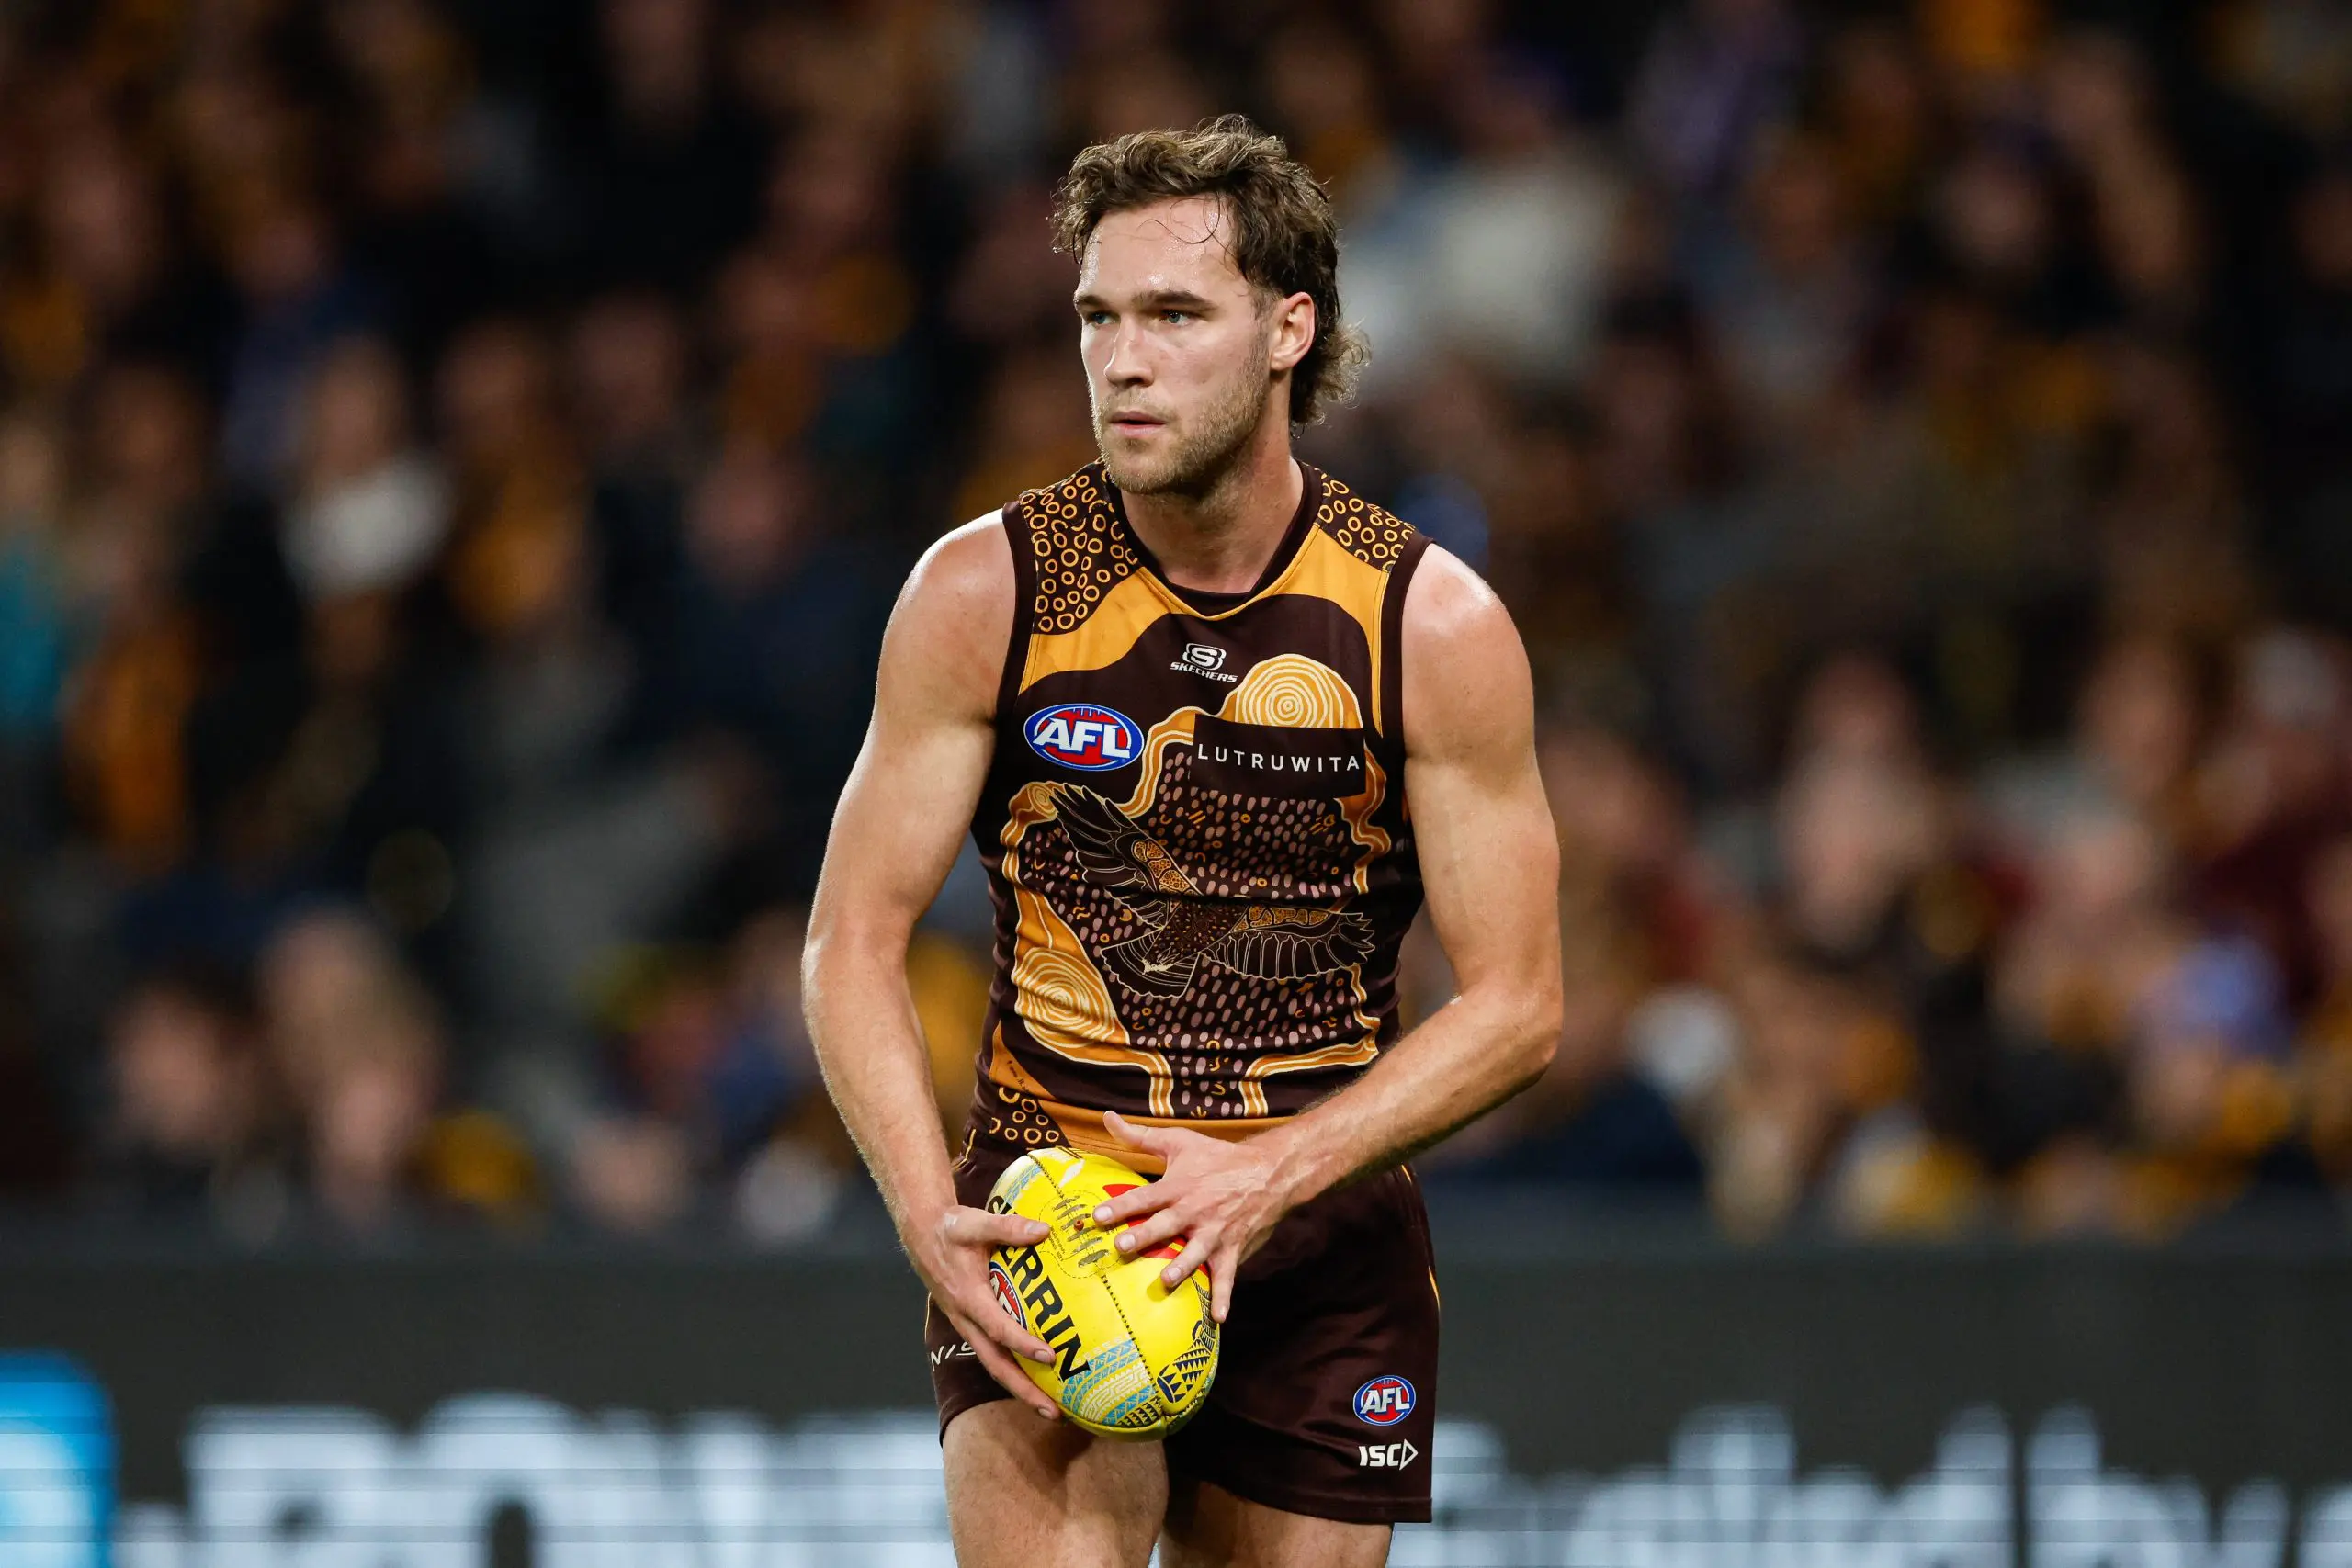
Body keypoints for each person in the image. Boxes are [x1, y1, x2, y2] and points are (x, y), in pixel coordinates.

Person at [804, 117, 1562, 1567]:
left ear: (1290, 330)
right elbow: (848, 940)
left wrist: (1268, 1174)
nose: (1122, 359)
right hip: (1053, 1225)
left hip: (1316, 1248)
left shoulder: (1430, 626)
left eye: (1172, 314)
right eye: (1098, 315)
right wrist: (921, 1207)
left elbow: (1523, 1007)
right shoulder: (986, 593)